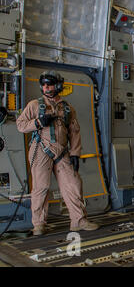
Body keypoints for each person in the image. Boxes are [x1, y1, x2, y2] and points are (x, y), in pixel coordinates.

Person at [17, 70, 99, 235]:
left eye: (50, 84)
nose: (47, 87)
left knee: (73, 184)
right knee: (41, 187)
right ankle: (39, 224)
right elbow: (20, 125)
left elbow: (74, 132)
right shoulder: (34, 105)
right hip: (41, 148)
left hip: (62, 151)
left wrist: (75, 153)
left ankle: (78, 220)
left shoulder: (67, 109)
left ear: (58, 86)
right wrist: (38, 122)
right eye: (44, 84)